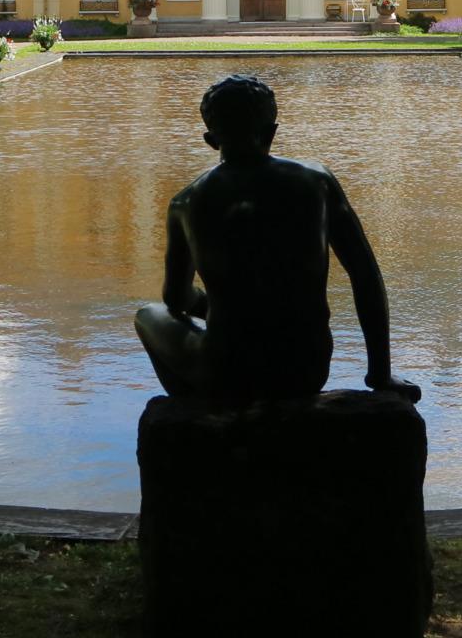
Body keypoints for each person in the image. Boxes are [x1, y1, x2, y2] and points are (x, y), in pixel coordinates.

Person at [135, 73, 423, 406]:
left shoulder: (185, 203)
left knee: (148, 314)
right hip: (306, 368)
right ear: (272, 132)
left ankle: (200, 408)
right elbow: (365, 275)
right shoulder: (316, 181)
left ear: (210, 139)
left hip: (227, 370)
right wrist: (380, 374)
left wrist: (215, 305)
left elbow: (176, 299)